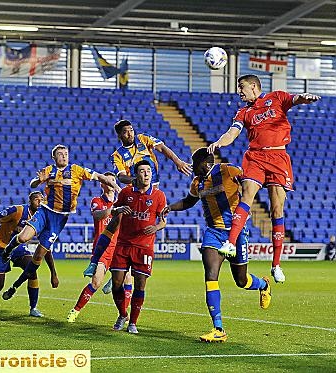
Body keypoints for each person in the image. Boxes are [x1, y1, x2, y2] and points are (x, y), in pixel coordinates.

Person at [207, 74, 320, 283]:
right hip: (255, 157)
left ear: (253, 86)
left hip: (278, 157)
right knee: (247, 195)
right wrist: (220, 142)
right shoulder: (244, 112)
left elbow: (294, 99)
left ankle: (276, 264)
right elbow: (232, 133)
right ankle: (231, 243)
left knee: (277, 209)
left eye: (241, 87)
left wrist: (304, 98)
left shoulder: (276, 98)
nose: (239, 91)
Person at [162, 148, 272, 342]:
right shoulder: (197, 183)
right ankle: (218, 328)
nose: (192, 166)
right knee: (211, 276)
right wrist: (170, 207)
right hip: (213, 233)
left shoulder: (228, 170)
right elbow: (189, 201)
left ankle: (263, 284)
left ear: (204, 163)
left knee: (241, 280)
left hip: (235, 233)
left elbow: (251, 181)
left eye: (194, 163)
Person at [1, 144, 120, 300]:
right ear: (54, 157)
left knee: (38, 257)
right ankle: (9, 249)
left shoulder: (77, 170)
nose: (64, 156)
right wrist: (38, 181)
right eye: (60, 154)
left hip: (60, 218)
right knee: (23, 238)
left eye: (66, 153)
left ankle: (15, 286)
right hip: (45, 212)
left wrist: (117, 187)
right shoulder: (49, 170)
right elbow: (33, 184)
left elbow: (100, 177)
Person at [82, 119, 192, 276]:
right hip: (131, 192)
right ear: (120, 135)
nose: (130, 133)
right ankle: (94, 262)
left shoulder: (143, 139)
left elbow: (162, 147)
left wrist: (178, 161)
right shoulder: (117, 155)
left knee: (143, 230)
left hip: (152, 192)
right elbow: (120, 177)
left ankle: (119, 273)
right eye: (126, 131)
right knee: (114, 225)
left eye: (131, 130)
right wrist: (135, 179)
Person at [0, 191, 56, 317]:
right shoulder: (17, 211)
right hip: (0, 247)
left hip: (18, 248)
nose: (40, 202)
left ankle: (33, 308)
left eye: (42, 199)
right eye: (36, 200)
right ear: (30, 201)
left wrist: (53, 274)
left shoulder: (42, 219)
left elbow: (46, 247)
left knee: (32, 271)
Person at [109, 160, 167, 334]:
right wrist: (119, 210)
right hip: (123, 244)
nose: (147, 174)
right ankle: (122, 314)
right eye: (142, 171)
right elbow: (113, 210)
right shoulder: (126, 192)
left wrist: (156, 227)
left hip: (144, 246)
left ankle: (133, 322)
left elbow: (163, 221)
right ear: (136, 175)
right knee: (117, 283)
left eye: (149, 171)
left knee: (140, 285)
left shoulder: (159, 196)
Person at [67, 172, 132, 323]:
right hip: (102, 248)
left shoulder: (122, 202)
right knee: (96, 282)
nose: (110, 183)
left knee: (128, 279)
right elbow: (97, 216)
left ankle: (124, 315)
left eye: (113, 180)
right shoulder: (97, 201)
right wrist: (115, 211)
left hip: (119, 248)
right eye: (107, 181)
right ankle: (75, 310)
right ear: (102, 184)